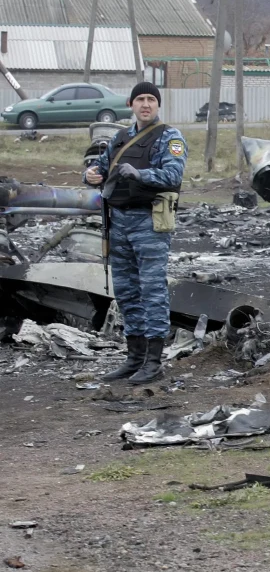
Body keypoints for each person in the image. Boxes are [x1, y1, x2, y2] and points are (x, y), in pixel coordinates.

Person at [84, 81, 187, 386]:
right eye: (140, 99)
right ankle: (134, 358)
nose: (145, 104)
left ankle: (153, 363)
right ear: (131, 104)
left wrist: (140, 174)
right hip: (120, 222)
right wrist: (90, 175)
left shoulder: (169, 136)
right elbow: (101, 169)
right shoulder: (120, 137)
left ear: (158, 105)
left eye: (151, 99)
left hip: (150, 221)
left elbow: (173, 174)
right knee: (127, 292)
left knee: (152, 290)